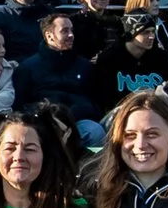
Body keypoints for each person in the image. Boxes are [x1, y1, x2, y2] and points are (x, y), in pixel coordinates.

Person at [14, 11, 102, 146]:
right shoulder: (27, 68)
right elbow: (20, 104)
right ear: (49, 36)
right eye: (65, 31)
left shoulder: (85, 66)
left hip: (80, 122)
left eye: (72, 30)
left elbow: (96, 99)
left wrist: (83, 110)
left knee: (96, 132)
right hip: (46, 123)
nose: (71, 35)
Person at [90, 11, 168, 114]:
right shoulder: (108, 59)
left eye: (152, 31)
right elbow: (104, 98)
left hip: (156, 111)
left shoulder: (161, 57)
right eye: (145, 32)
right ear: (130, 34)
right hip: (120, 112)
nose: (152, 36)